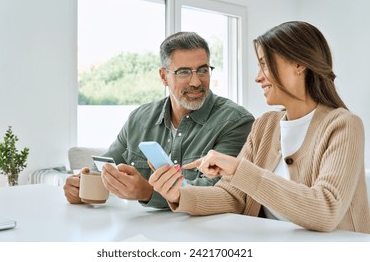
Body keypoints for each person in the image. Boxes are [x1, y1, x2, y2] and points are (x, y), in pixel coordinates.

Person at [149, 21, 370, 233]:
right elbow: (234, 196)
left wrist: (238, 169)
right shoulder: (265, 125)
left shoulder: (344, 125)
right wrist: (179, 194)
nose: (258, 77)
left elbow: (326, 210)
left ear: (299, 64)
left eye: (264, 64)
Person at [63, 32, 255, 209]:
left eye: (203, 70)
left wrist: (147, 192)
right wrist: (81, 187)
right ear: (164, 77)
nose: (196, 82)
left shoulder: (236, 122)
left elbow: (221, 193)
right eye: (184, 72)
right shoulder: (139, 119)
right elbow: (104, 169)